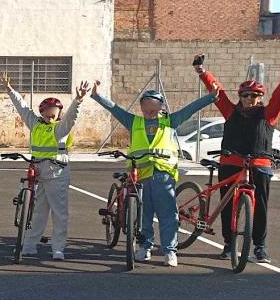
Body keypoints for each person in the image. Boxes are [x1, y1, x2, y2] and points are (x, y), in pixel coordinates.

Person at [91, 78, 216, 267]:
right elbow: (114, 109)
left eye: (154, 107)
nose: (150, 111)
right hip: (140, 174)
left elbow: (191, 109)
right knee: (143, 214)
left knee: (168, 214)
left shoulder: (170, 121)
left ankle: (170, 251)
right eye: (146, 107)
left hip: (163, 173)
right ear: (141, 107)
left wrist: (211, 97)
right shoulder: (134, 122)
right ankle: (144, 247)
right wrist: (96, 95)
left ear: (160, 107)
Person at [195, 53, 280, 263]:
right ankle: (228, 243)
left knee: (260, 205)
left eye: (254, 95)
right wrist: (202, 71)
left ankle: (260, 246)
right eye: (245, 95)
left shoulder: (268, 114)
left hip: (259, 163)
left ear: (259, 97)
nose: (249, 99)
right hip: (231, 162)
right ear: (240, 97)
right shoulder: (230, 111)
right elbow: (218, 92)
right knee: (226, 204)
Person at [3, 75, 91, 260]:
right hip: (37, 172)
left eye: (55, 112)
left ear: (59, 114)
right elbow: (23, 108)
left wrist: (79, 100)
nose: (51, 115)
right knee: (38, 211)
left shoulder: (60, 129)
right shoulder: (35, 124)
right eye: (48, 112)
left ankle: (58, 248)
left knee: (59, 213)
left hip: (57, 173)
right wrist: (10, 90)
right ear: (42, 112)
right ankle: (29, 245)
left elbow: (71, 118)